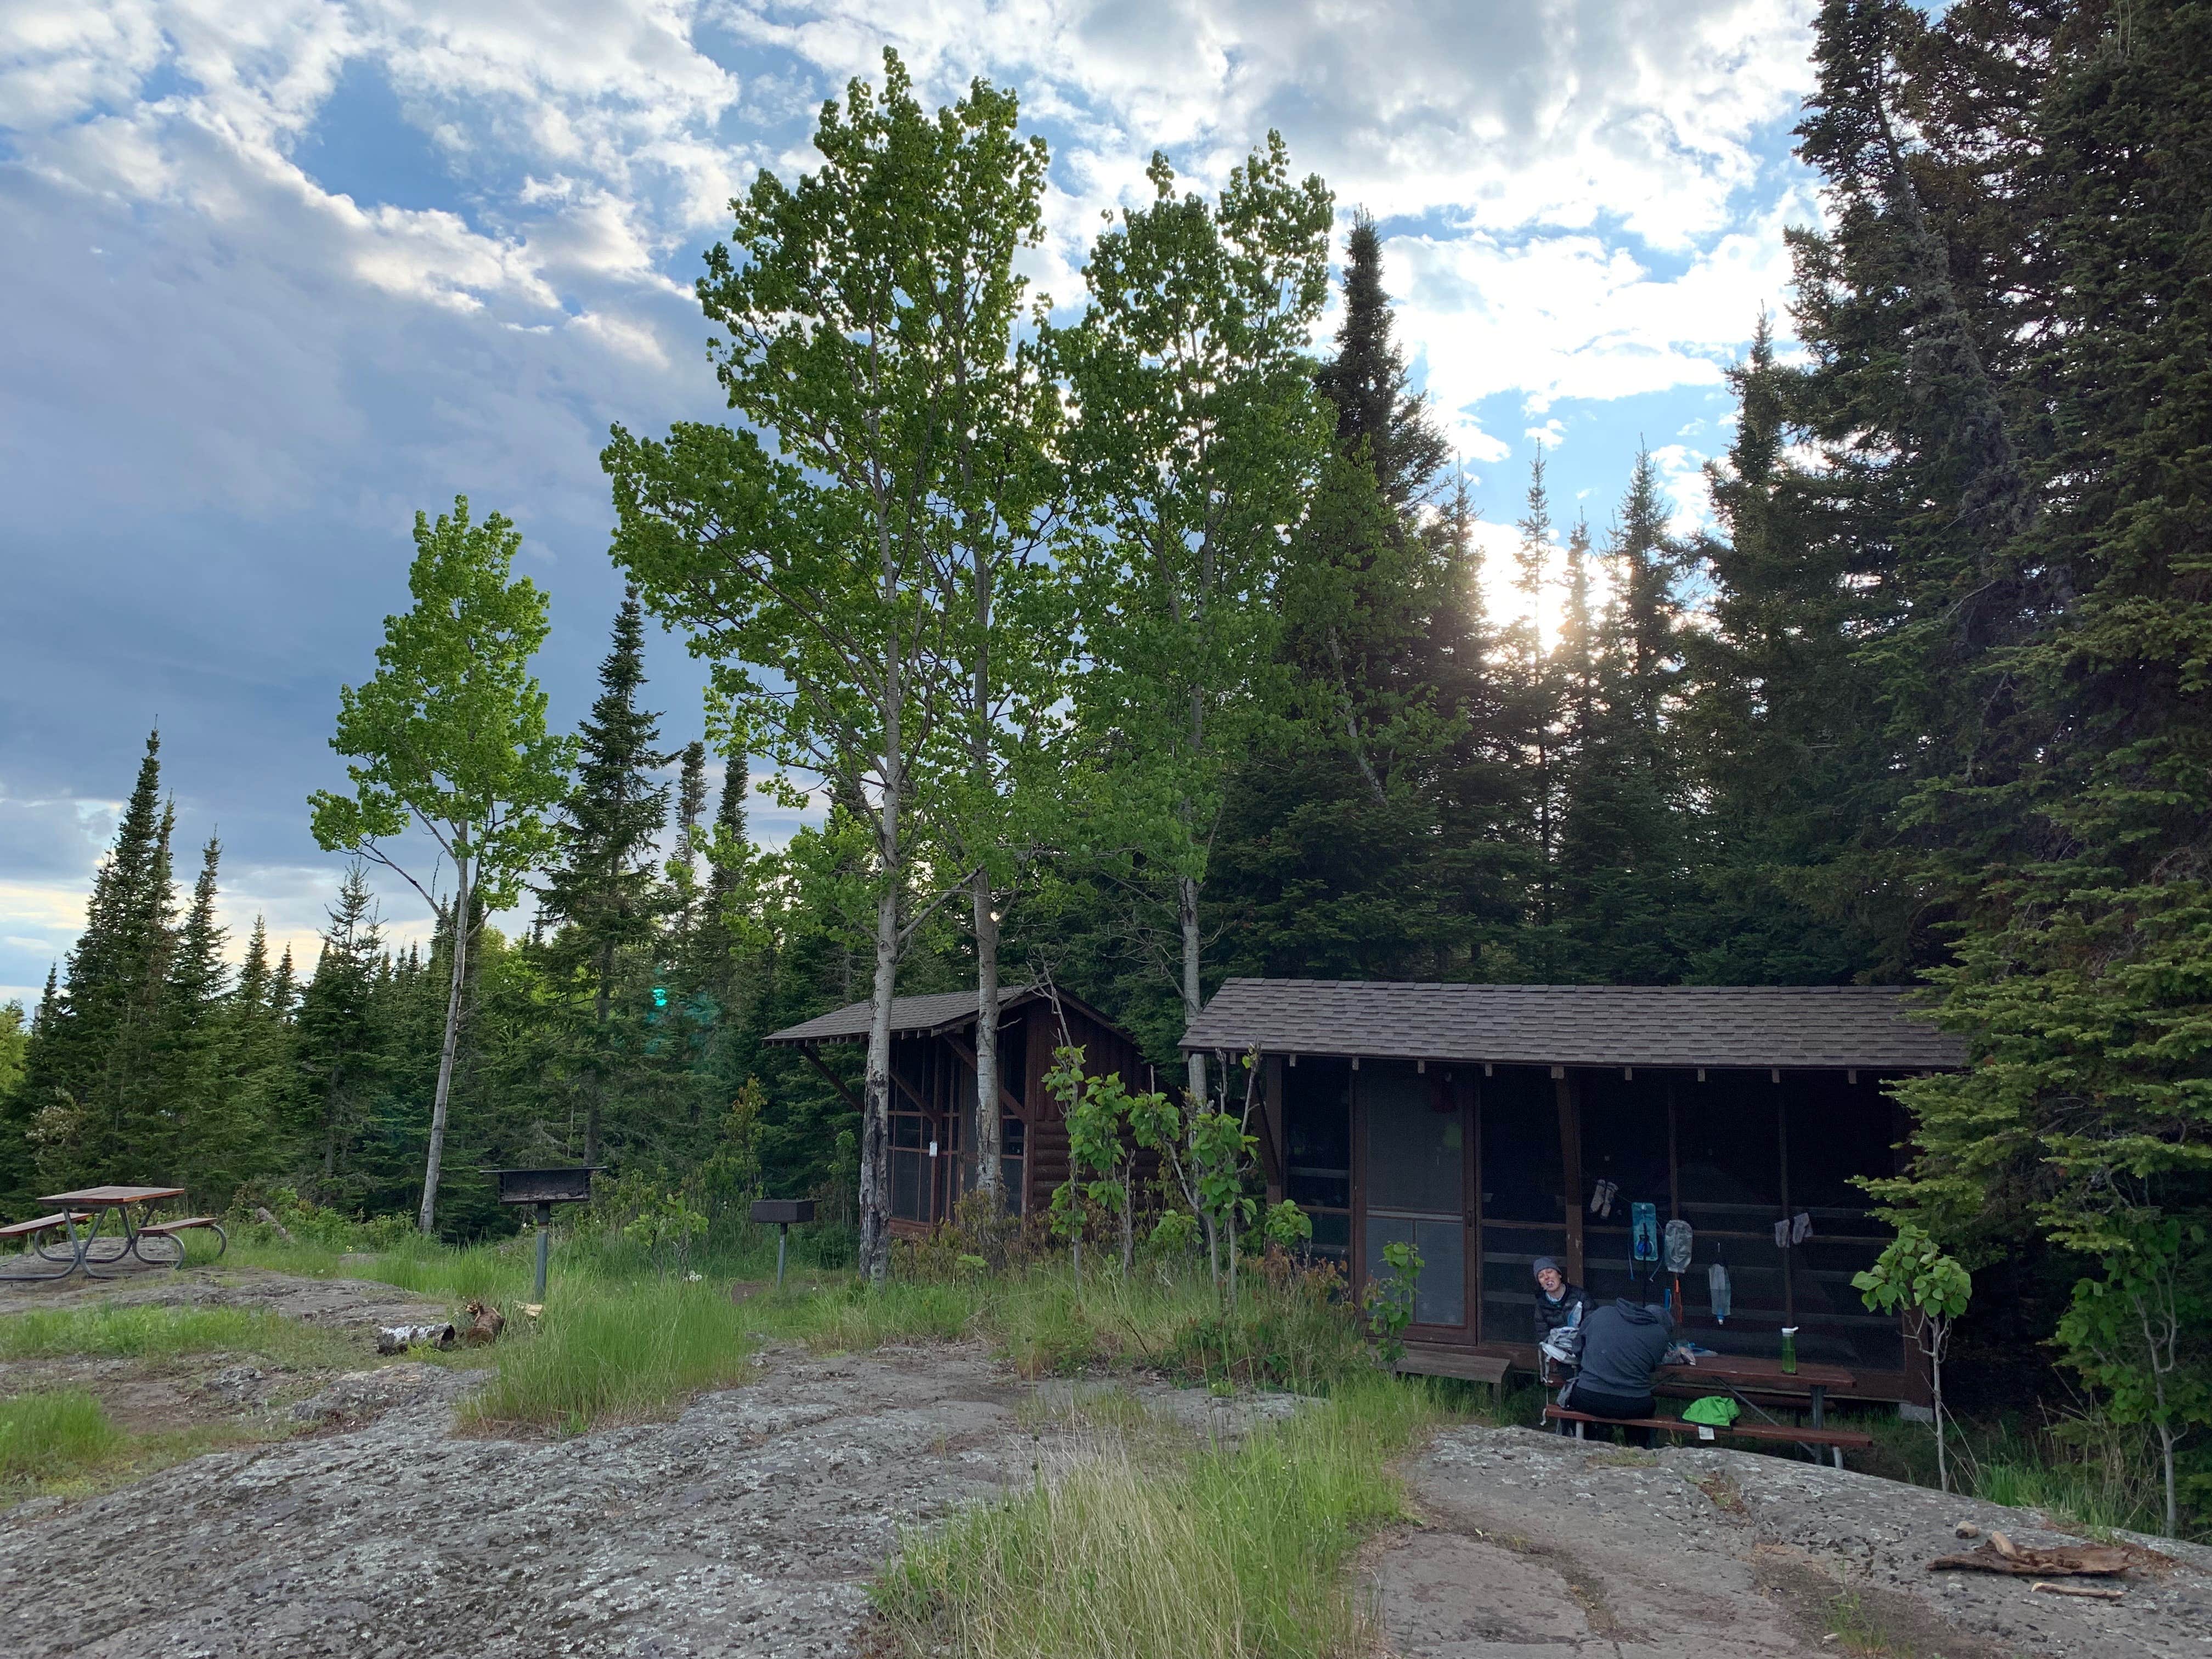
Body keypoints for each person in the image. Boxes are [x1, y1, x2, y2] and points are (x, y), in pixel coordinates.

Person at [1561, 1298, 1677, 1444]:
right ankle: (1638, 1446)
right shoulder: (1660, 1336)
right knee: (1645, 1406)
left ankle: (1592, 1439)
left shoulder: (1601, 1314)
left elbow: (1577, 1349)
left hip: (1588, 1399)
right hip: (1634, 1405)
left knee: (1575, 1394)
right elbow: (1651, 1368)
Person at [1531, 1256, 1589, 1346]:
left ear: (1559, 1275)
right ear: (1540, 1284)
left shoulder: (1580, 1296)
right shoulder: (1541, 1305)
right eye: (1541, 1276)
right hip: (1557, 1350)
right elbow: (1542, 1334)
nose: (1546, 1277)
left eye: (1549, 1272)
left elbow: (1592, 1324)